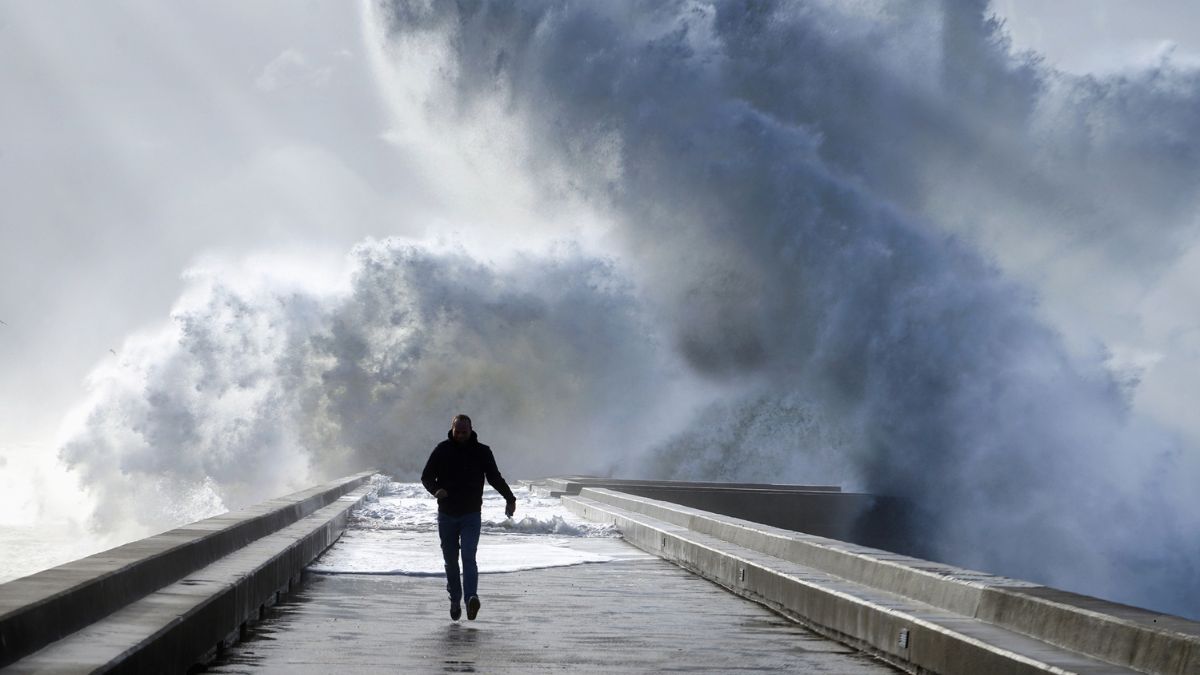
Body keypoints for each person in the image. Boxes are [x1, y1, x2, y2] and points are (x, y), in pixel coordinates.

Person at [421, 414, 518, 621]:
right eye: (458, 432)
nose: (461, 435)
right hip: (446, 514)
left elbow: (494, 477)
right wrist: (435, 489)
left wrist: (510, 498)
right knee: (450, 561)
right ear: (452, 429)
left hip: (471, 514)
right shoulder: (442, 450)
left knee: (468, 557)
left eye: (465, 432)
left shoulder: (482, 452)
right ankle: (455, 599)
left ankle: (471, 598)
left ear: (471, 429)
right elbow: (426, 476)